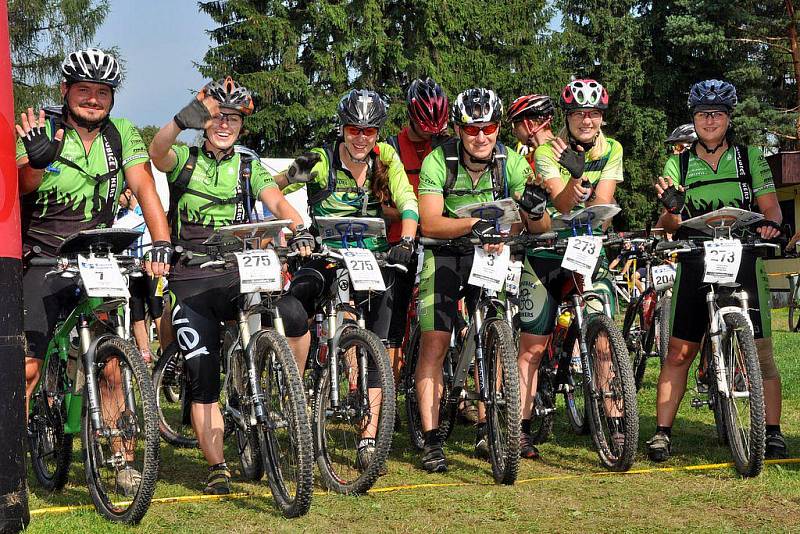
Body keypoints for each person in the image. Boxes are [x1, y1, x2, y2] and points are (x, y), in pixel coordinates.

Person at [16, 47, 172, 494]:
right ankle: (9, 461)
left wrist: (160, 241)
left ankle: (122, 458)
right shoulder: (39, 125)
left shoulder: (122, 134)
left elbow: (144, 186)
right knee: (26, 367)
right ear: (65, 91)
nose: (93, 99)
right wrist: (37, 162)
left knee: (110, 364)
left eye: (102, 91)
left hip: (95, 257)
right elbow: (21, 186)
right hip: (43, 256)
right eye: (83, 90)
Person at [148, 76, 313, 494]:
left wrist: (300, 228)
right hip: (193, 278)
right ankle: (218, 464)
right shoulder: (184, 158)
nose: (225, 124)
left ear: (242, 125)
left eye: (233, 119)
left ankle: (277, 391)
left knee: (294, 315)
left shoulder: (247, 164)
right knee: (204, 375)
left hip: (240, 270)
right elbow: (156, 151)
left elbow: (275, 199)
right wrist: (180, 120)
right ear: (205, 120)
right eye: (218, 116)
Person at [273, 88, 419, 473]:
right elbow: (272, 187)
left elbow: (408, 201)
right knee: (292, 309)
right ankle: (294, 389)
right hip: (324, 257)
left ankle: (369, 439)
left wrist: (405, 239)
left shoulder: (386, 157)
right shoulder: (319, 161)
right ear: (342, 128)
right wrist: (298, 228)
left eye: (369, 131)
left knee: (379, 342)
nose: (361, 138)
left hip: (370, 260)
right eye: (354, 129)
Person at [649, 79, 787, 461]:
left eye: (718, 114)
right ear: (693, 119)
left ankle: (771, 431)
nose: (710, 120)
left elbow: (771, 207)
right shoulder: (677, 162)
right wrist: (672, 208)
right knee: (679, 351)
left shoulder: (750, 158)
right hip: (695, 258)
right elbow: (666, 225)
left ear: (728, 118)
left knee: (760, 351)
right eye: (702, 114)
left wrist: (770, 224)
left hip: (742, 255)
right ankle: (662, 432)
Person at [416, 87, 548, 472]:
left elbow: (536, 225)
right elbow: (430, 221)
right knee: (436, 342)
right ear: (458, 130)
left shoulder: (511, 162)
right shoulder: (438, 160)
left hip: (493, 252)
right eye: (472, 129)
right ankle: (431, 438)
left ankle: (492, 426)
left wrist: (535, 209)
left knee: (499, 331)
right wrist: (473, 224)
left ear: (497, 128)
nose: (481, 136)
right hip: (445, 250)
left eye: (488, 127)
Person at [516, 79, 624, 460]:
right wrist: (575, 178)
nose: (587, 120)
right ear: (568, 117)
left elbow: (603, 207)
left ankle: (615, 424)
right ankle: (520, 428)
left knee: (603, 339)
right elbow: (562, 207)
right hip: (546, 250)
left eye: (594, 113)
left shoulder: (612, 149)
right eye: (579, 113)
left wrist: (584, 189)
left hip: (585, 248)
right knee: (532, 346)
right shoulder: (547, 150)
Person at [382, 78, 449, 393]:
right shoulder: (392, 148)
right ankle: (391, 391)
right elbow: (383, 206)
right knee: (395, 320)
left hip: (441, 239)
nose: (432, 138)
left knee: (449, 318)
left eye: (437, 132)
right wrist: (416, 217)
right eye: (426, 130)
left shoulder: (447, 146)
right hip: (401, 241)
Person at [114, 187, 173, 364]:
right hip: (131, 269)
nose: (118, 199)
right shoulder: (121, 214)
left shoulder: (146, 210)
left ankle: (167, 355)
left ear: (130, 192)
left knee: (157, 310)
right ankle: (144, 355)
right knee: (136, 313)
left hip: (151, 268)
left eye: (120, 195)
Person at [508, 93, 557, 170]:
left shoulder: (539, 156)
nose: (514, 131)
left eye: (516, 124)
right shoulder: (563, 149)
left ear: (530, 124)